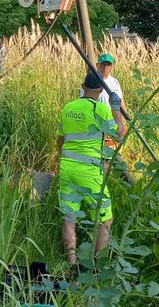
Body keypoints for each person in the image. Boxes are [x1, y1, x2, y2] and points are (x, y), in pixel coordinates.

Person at [57, 72, 119, 265]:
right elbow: (119, 135)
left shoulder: (68, 107)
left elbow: (60, 140)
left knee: (69, 217)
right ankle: (96, 266)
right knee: (105, 221)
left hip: (67, 168)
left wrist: (64, 159)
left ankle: (72, 263)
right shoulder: (101, 109)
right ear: (101, 90)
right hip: (90, 172)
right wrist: (116, 108)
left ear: (82, 86)